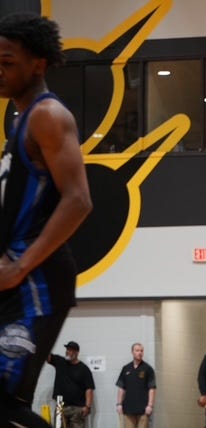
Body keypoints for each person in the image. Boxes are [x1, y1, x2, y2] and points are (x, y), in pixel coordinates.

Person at [0, 13, 93, 428]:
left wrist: (20, 266)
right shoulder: (20, 122)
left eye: (7, 62)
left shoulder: (48, 115)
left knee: (4, 406)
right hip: (16, 282)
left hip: (35, 282)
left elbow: (78, 200)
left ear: (38, 64)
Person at [47, 341, 95, 428]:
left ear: (77, 352)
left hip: (78, 408)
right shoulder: (60, 361)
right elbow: (48, 357)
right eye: (67, 350)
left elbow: (89, 389)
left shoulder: (84, 369)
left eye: (71, 350)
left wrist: (87, 407)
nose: (68, 352)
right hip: (60, 406)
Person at [116, 343, 157, 428]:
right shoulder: (126, 368)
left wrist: (150, 405)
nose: (140, 353)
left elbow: (152, 389)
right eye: (137, 350)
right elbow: (121, 388)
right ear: (132, 352)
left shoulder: (148, 369)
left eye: (141, 351)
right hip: (128, 409)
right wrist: (119, 404)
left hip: (143, 410)